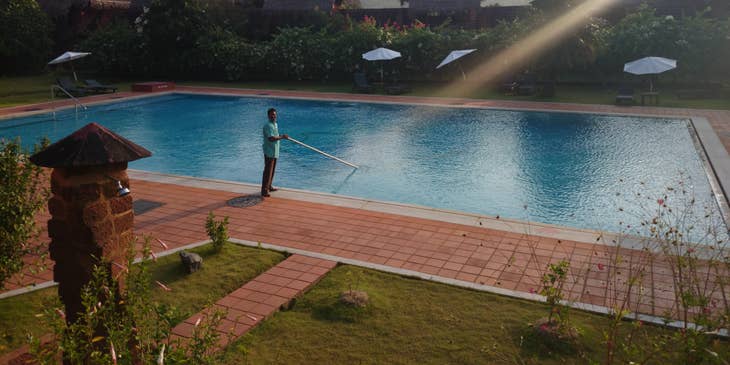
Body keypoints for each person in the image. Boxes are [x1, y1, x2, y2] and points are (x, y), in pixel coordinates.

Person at [261, 108, 288, 197]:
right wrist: (282, 137)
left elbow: (276, 136)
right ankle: (264, 191)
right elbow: (271, 138)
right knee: (268, 171)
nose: (274, 116)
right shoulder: (267, 126)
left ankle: (269, 186)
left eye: (275, 114)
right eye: (272, 114)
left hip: (275, 151)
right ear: (268, 116)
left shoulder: (275, 124)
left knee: (272, 170)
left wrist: (281, 137)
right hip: (269, 151)